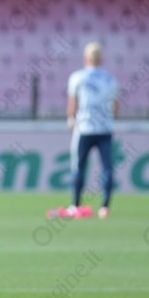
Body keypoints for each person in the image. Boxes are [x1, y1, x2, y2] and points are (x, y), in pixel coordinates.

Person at [60, 42, 119, 219]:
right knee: (107, 168)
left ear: (86, 58)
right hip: (105, 130)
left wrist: (71, 120)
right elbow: (116, 109)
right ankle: (105, 207)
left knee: (79, 167)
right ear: (102, 59)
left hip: (84, 129)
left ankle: (76, 205)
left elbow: (72, 106)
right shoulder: (111, 79)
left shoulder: (77, 77)